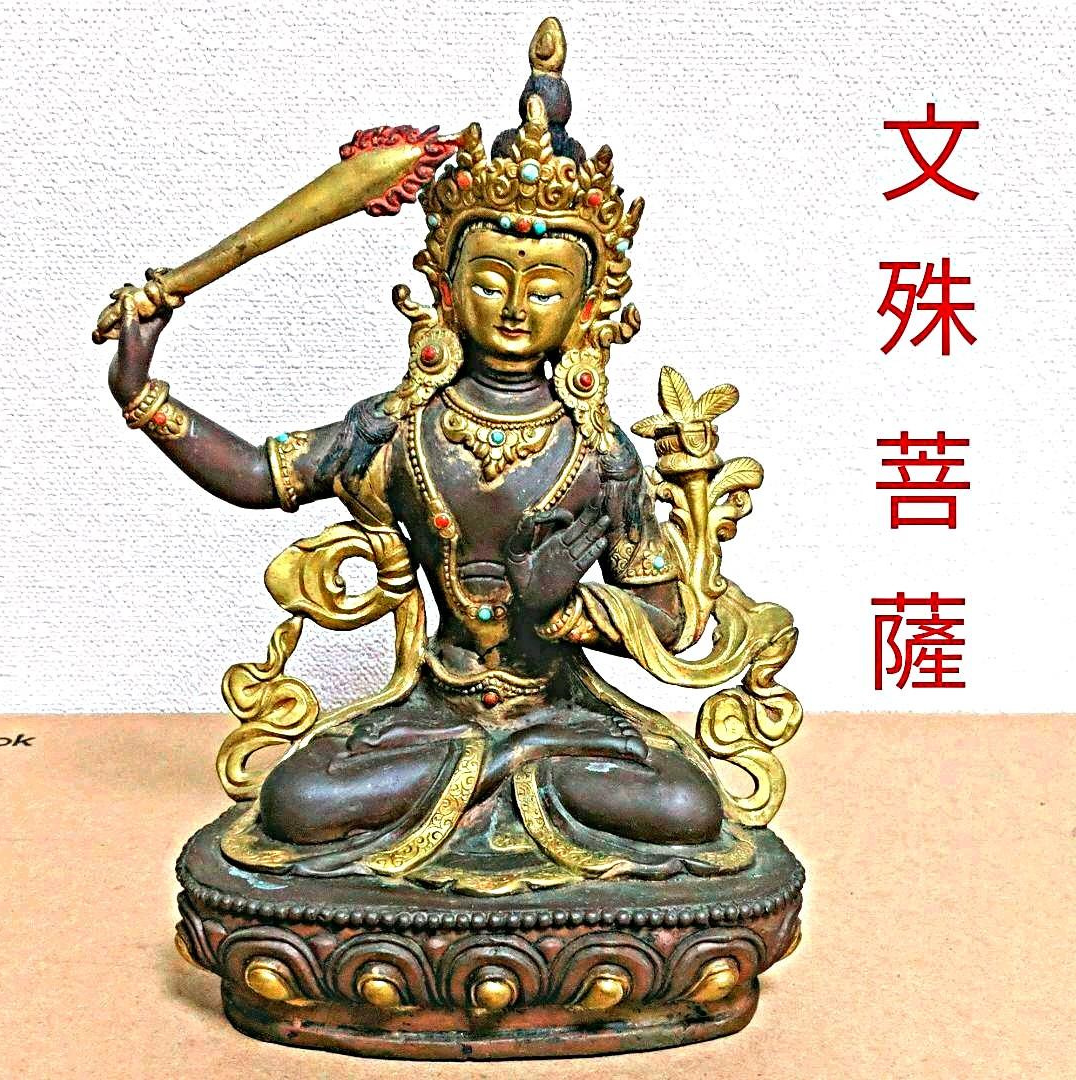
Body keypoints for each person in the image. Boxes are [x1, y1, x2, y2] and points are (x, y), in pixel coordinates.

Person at [108, 21, 756, 890]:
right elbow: (261, 476)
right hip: (432, 713)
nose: (515, 308)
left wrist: (566, 609)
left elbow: (669, 619)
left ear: (586, 307)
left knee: (685, 805)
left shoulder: (602, 456)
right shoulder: (399, 428)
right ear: (448, 291)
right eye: (490, 281)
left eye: (544, 288)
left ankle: (502, 770)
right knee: (298, 799)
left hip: (559, 717)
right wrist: (143, 396)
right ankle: (497, 776)